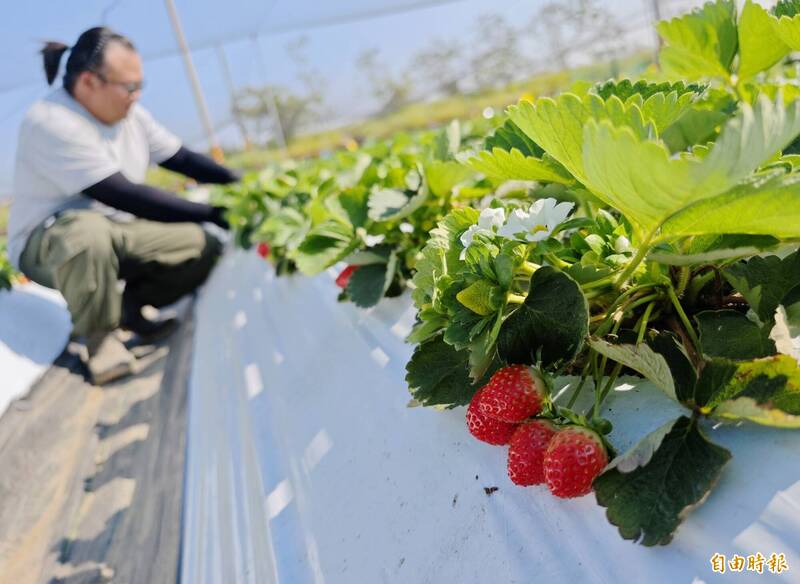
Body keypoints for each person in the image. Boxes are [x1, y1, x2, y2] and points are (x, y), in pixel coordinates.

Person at [6, 27, 239, 385]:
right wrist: (212, 212)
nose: (137, 95)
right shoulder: (51, 121)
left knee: (200, 245)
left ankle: (128, 309)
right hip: (50, 244)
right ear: (89, 82)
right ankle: (99, 339)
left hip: (114, 231)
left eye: (139, 85)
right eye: (129, 86)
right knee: (87, 232)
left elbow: (182, 159)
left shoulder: (131, 115)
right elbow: (121, 194)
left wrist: (242, 184)